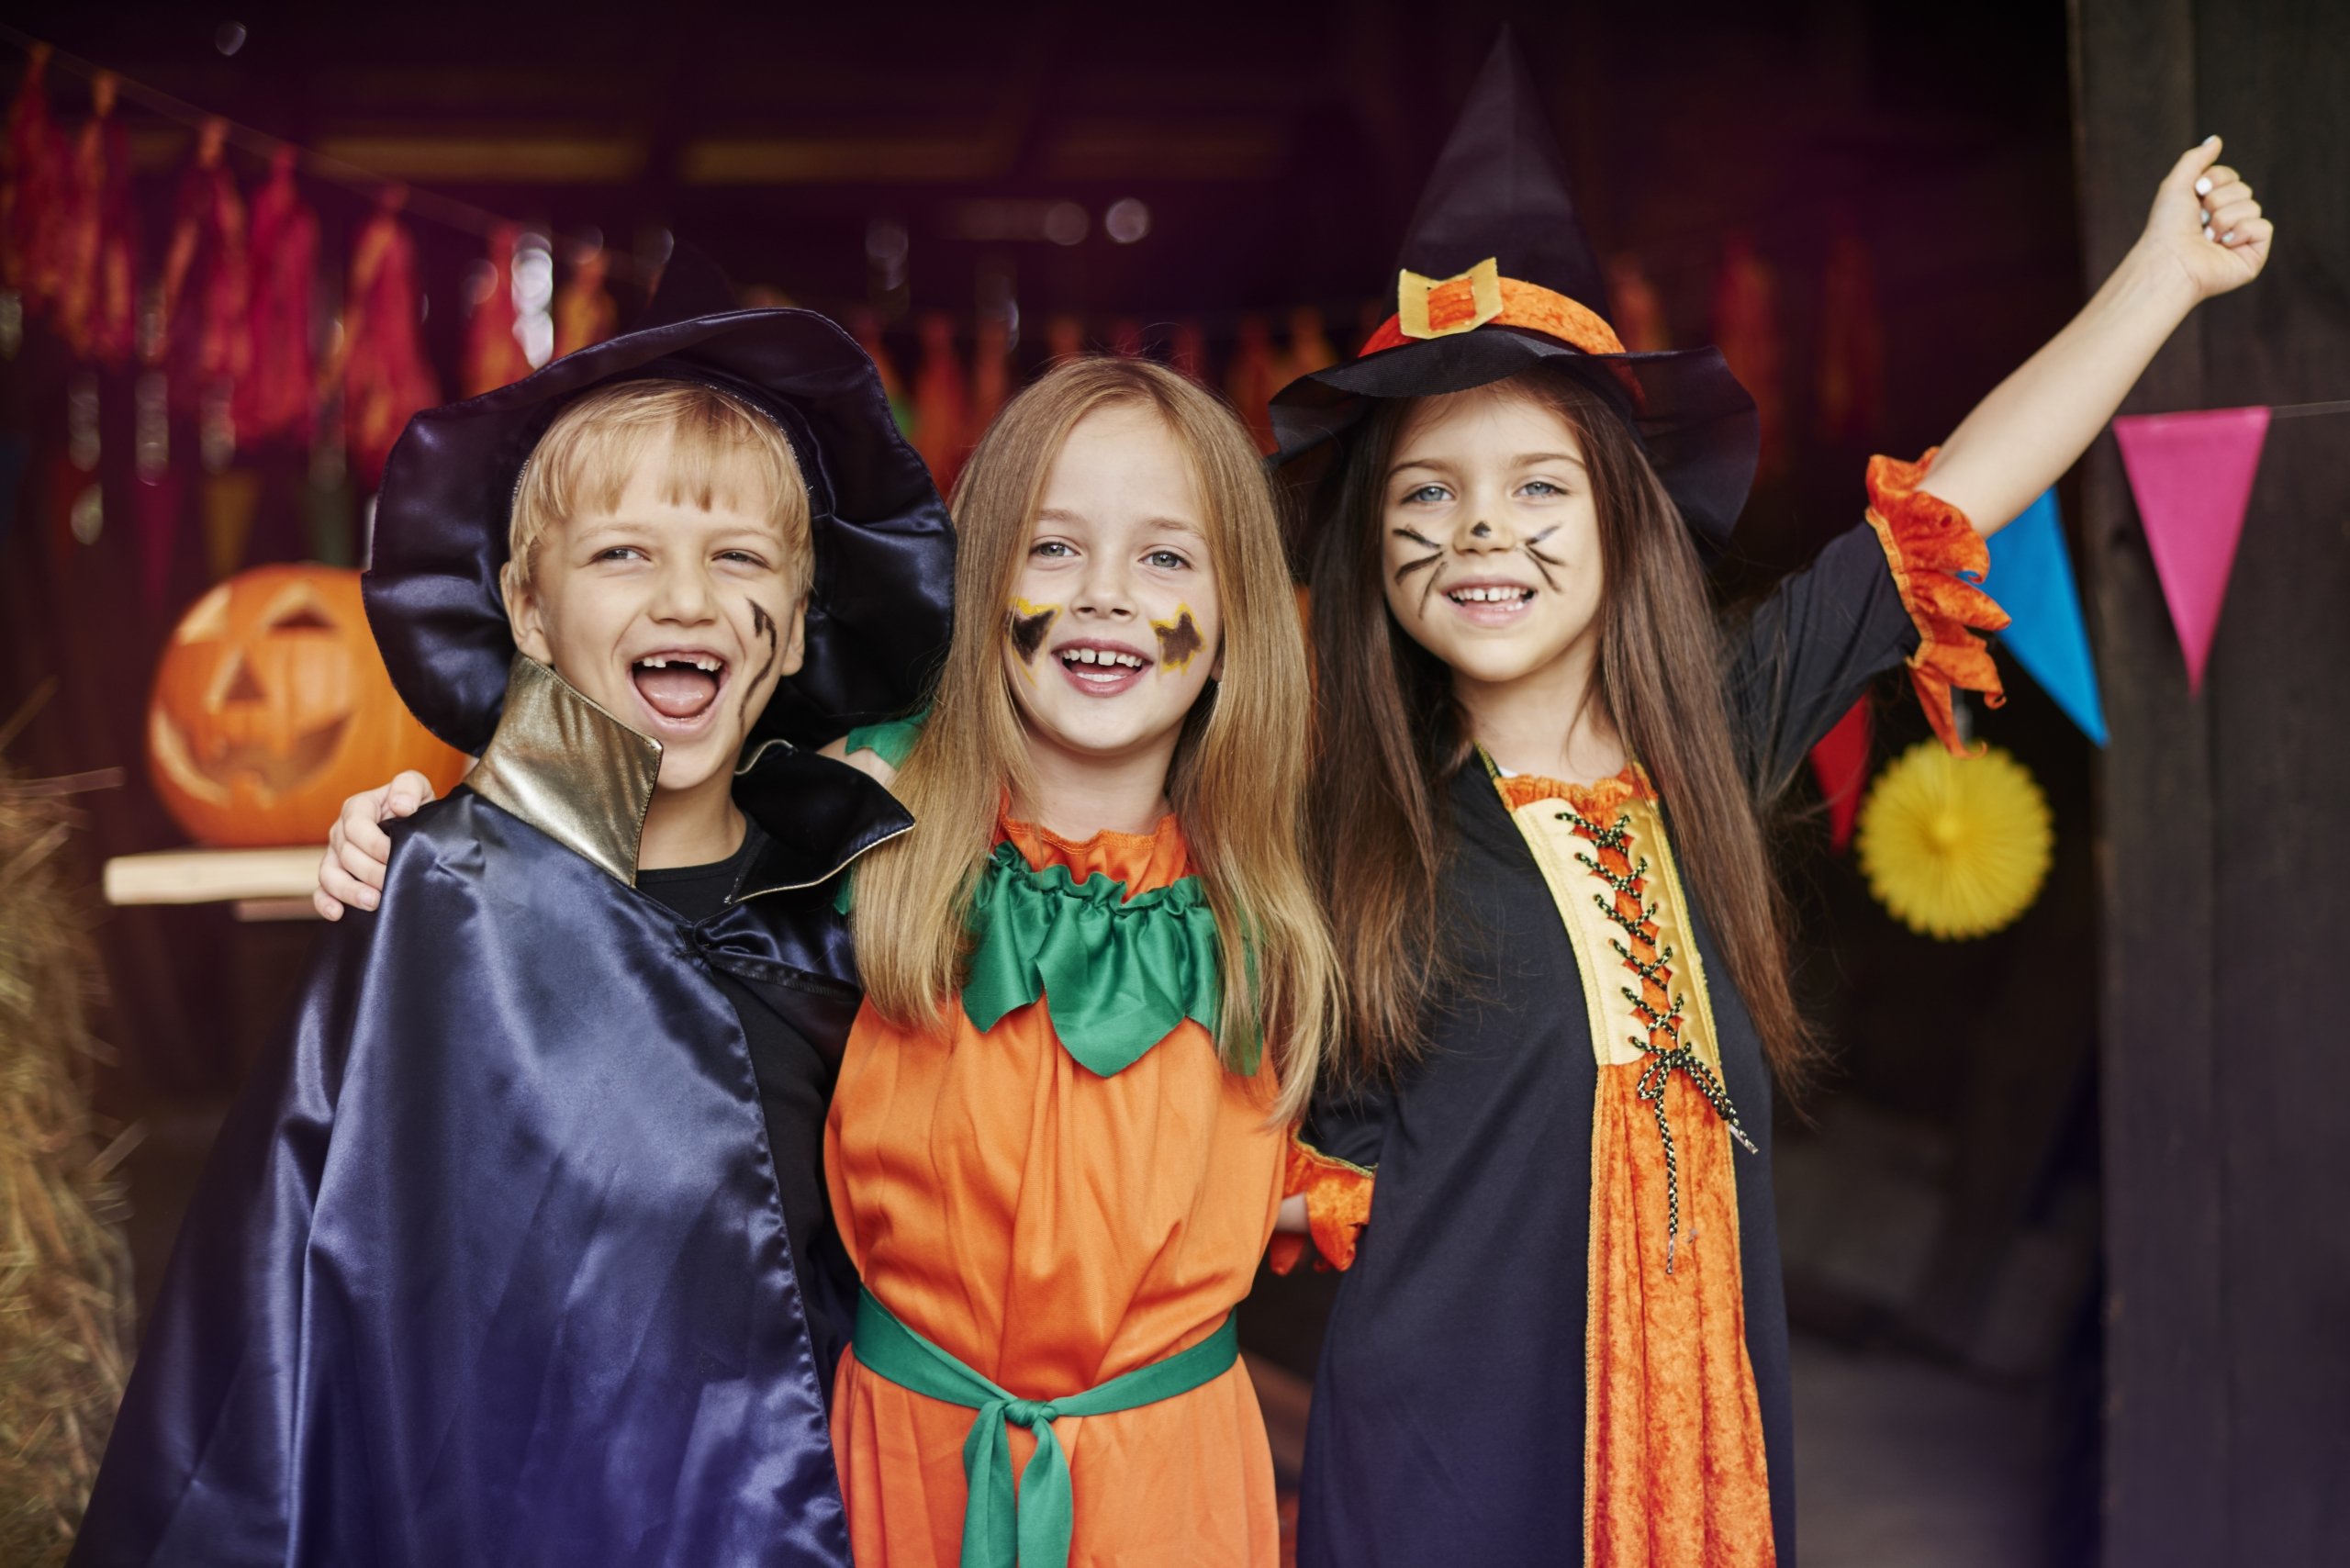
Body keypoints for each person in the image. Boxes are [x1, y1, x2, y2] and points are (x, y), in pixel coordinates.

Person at [1265, 32, 2272, 1568]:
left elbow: (1957, 495)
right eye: (1428, 493)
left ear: (1623, 521)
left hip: (1701, 1456)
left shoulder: (1712, 739)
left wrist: (2160, 280)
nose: (1484, 531)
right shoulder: (1344, 838)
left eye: (1538, 486)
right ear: (1374, 554)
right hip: (1439, 1477)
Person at [316, 354, 1338, 1567]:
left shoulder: (1286, 908)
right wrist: (424, 832)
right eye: (1053, 548)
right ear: (976, 582)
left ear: (1237, 622)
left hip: (1173, 1501)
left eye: (1165, 558)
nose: (1106, 593)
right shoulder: (861, 825)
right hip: (887, 1479)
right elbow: (631, 854)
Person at [76, 277, 955, 1568]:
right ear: (529, 611)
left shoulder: (868, 913)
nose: (687, 599)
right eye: (623, 554)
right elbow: (281, 1315)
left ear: (793, 626)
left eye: (739, 559)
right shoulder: (438, 912)